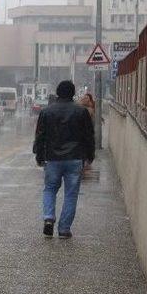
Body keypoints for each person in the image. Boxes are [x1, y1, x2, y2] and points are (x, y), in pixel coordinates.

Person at [33, 80, 95, 239]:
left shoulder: (46, 112)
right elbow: (89, 136)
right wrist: (90, 155)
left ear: (58, 92)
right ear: (73, 93)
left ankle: (48, 218)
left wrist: (39, 156)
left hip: (52, 158)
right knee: (71, 194)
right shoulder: (81, 112)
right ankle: (64, 229)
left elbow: (40, 136)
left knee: (50, 189)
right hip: (75, 158)